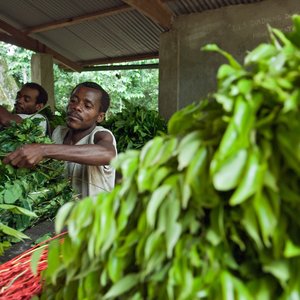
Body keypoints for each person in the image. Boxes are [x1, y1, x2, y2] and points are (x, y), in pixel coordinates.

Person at [3, 81, 117, 199]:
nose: (77, 107)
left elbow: (108, 154)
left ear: (100, 116)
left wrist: (42, 150)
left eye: (87, 106)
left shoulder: (100, 135)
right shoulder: (58, 133)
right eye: (73, 101)